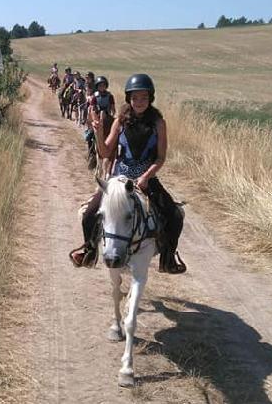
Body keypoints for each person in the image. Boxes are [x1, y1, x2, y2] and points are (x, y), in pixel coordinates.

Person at [71, 73, 186, 274]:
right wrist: (98, 132)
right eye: (135, 98)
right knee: (89, 213)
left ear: (150, 98)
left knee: (175, 215)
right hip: (119, 178)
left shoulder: (159, 123)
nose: (139, 102)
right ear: (128, 99)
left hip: (146, 179)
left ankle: (168, 257)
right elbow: (105, 152)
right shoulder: (120, 121)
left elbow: (160, 158)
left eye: (143, 98)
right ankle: (88, 250)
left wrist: (145, 177)